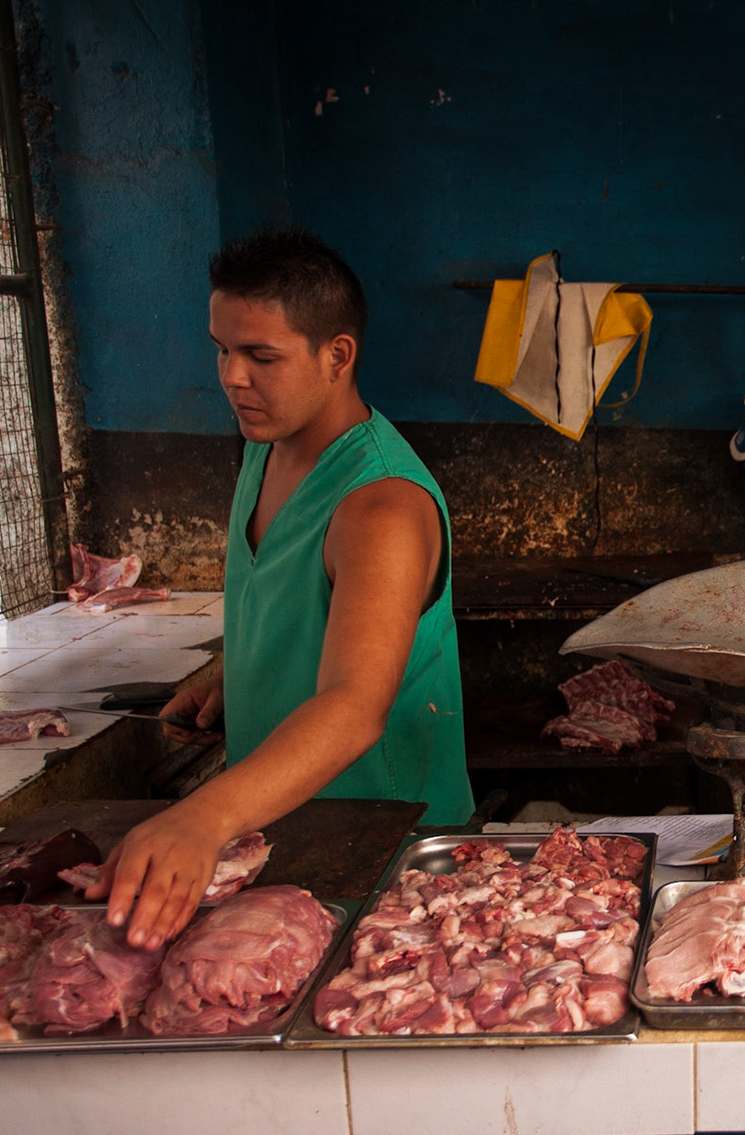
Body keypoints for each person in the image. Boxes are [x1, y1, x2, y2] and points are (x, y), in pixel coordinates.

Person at [92, 226, 475, 948]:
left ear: (337, 356)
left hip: (387, 850)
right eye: (221, 349)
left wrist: (200, 817)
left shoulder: (380, 507)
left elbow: (355, 707)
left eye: (261, 356)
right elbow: (297, 608)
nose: (232, 377)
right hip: (284, 831)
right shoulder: (265, 449)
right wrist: (238, 681)